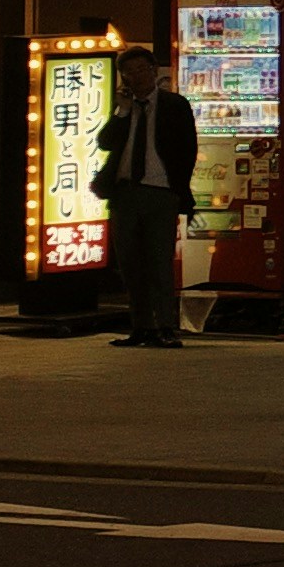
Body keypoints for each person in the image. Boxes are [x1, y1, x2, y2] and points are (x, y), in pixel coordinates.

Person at [97, 46, 198, 348]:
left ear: (154, 72)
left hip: (160, 191)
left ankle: (166, 326)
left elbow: (187, 149)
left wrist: (178, 189)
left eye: (142, 70)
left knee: (159, 262)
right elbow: (105, 143)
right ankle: (141, 326)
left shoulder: (174, 105)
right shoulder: (123, 108)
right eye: (129, 72)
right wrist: (123, 110)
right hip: (125, 192)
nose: (137, 77)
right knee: (129, 263)